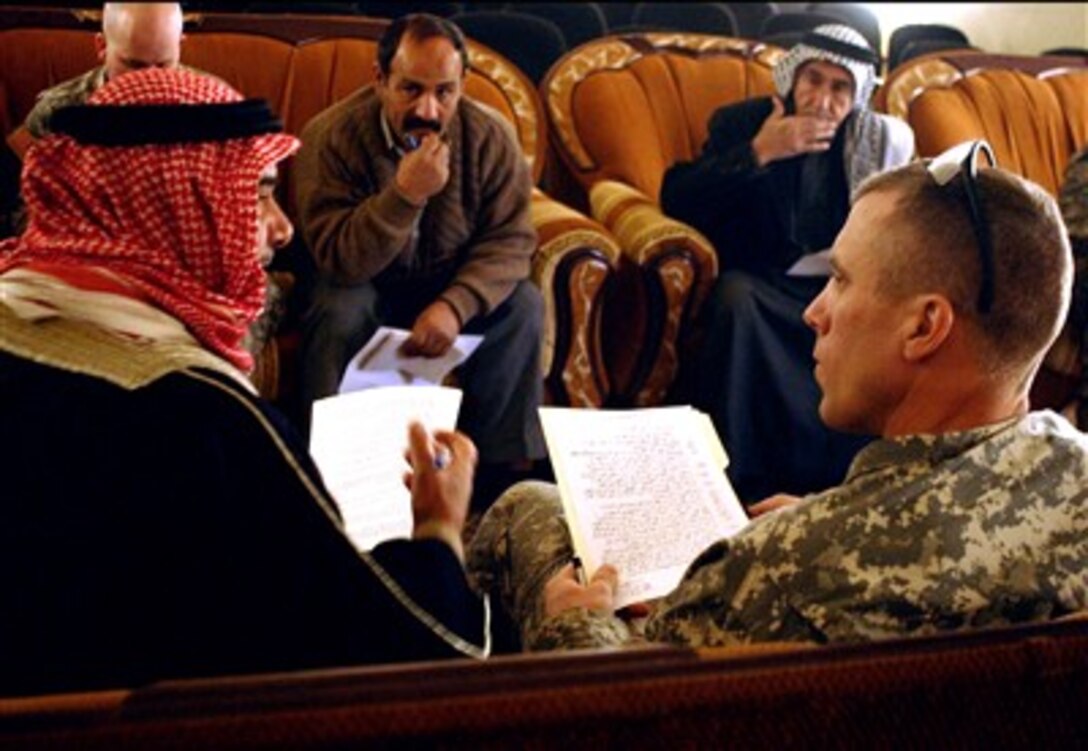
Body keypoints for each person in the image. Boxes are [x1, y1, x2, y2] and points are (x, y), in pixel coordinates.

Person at [467, 147, 1088, 652]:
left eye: (840, 281)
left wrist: (575, 623)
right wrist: (832, 509)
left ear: (925, 327)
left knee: (525, 505)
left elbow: (625, 719)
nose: (815, 312)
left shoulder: (787, 570)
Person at [0, 67, 490, 698]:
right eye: (256, 195)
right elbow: (396, 640)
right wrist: (440, 528)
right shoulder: (205, 420)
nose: (281, 228)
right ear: (178, 209)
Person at [292, 13, 545, 505]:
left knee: (525, 307)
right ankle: (327, 477)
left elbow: (512, 240)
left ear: (462, 85)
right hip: (361, 283)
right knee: (339, 307)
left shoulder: (491, 136)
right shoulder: (330, 137)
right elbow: (337, 256)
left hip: (446, 285)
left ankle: (499, 483)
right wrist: (404, 195)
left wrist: (456, 305)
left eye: (444, 92)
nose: (428, 109)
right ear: (379, 79)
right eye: (410, 89)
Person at [660, 24, 915, 503]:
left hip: (843, 285)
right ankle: (731, 477)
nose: (822, 98)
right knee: (735, 300)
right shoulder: (743, 122)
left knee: (881, 317)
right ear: (791, 78)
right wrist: (761, 152)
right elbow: (679, 198)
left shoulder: (875, 140)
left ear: (857, 94)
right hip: (763, 282)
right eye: (813, 80)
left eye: (839, 87)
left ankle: (843, 483)